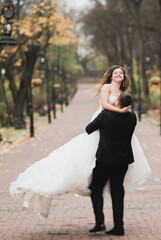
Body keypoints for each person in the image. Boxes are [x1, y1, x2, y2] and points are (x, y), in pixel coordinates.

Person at [9, 65, 151, 220]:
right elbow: (104, 105)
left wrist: (124, 116)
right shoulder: (106, 87)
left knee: (113, 172)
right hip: (103, 124)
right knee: (88, 159)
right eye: (116, 72)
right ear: (111, 76)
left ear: (124, 77)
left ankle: (105, 206)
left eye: (121, 73)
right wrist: (122, 112)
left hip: (115, 129)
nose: (118, 74)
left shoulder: (123, 93)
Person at [86, 92, 136, 236]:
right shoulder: (132, 117)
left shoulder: (105, 115)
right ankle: (119, 227)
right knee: (117, 192)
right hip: (123, 160)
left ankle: (100, 223)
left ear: (117, 103)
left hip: (105, 160)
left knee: (95, 189)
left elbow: (89, 129)